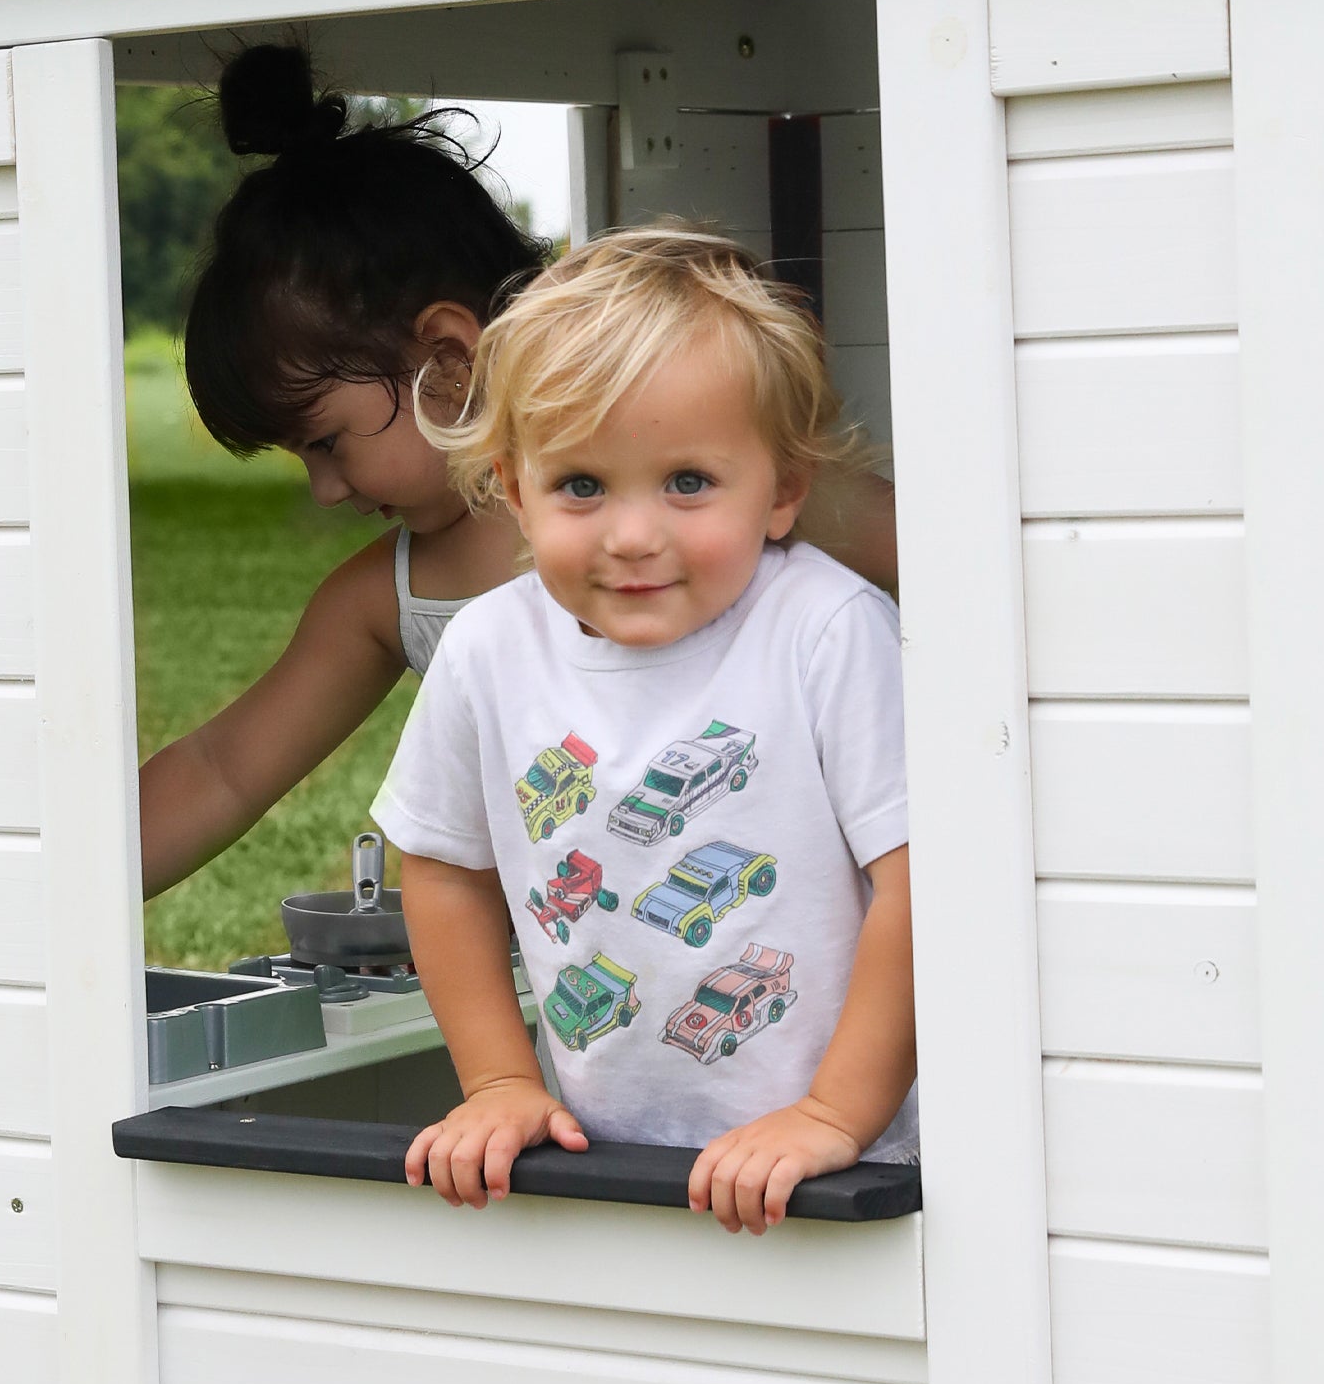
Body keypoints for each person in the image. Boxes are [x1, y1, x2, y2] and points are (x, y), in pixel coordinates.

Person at [136, 45, 896, 899]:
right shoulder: (388, 603)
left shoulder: (713, 475)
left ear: (449, 360)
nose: (325, 489)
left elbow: (953, 580)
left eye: (326, 442)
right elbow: (221, 769)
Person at [376, 229, 917, 1233]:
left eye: (687, 483)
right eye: (581, 485)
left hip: (843, 1175)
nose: (633, 535)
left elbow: (921, 885)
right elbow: (444, 865)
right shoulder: (489, 649)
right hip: (602, 1168)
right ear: (511, 487)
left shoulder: (827, 632)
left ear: (783, 488)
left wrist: (833, 1114)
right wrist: (498, 1081)